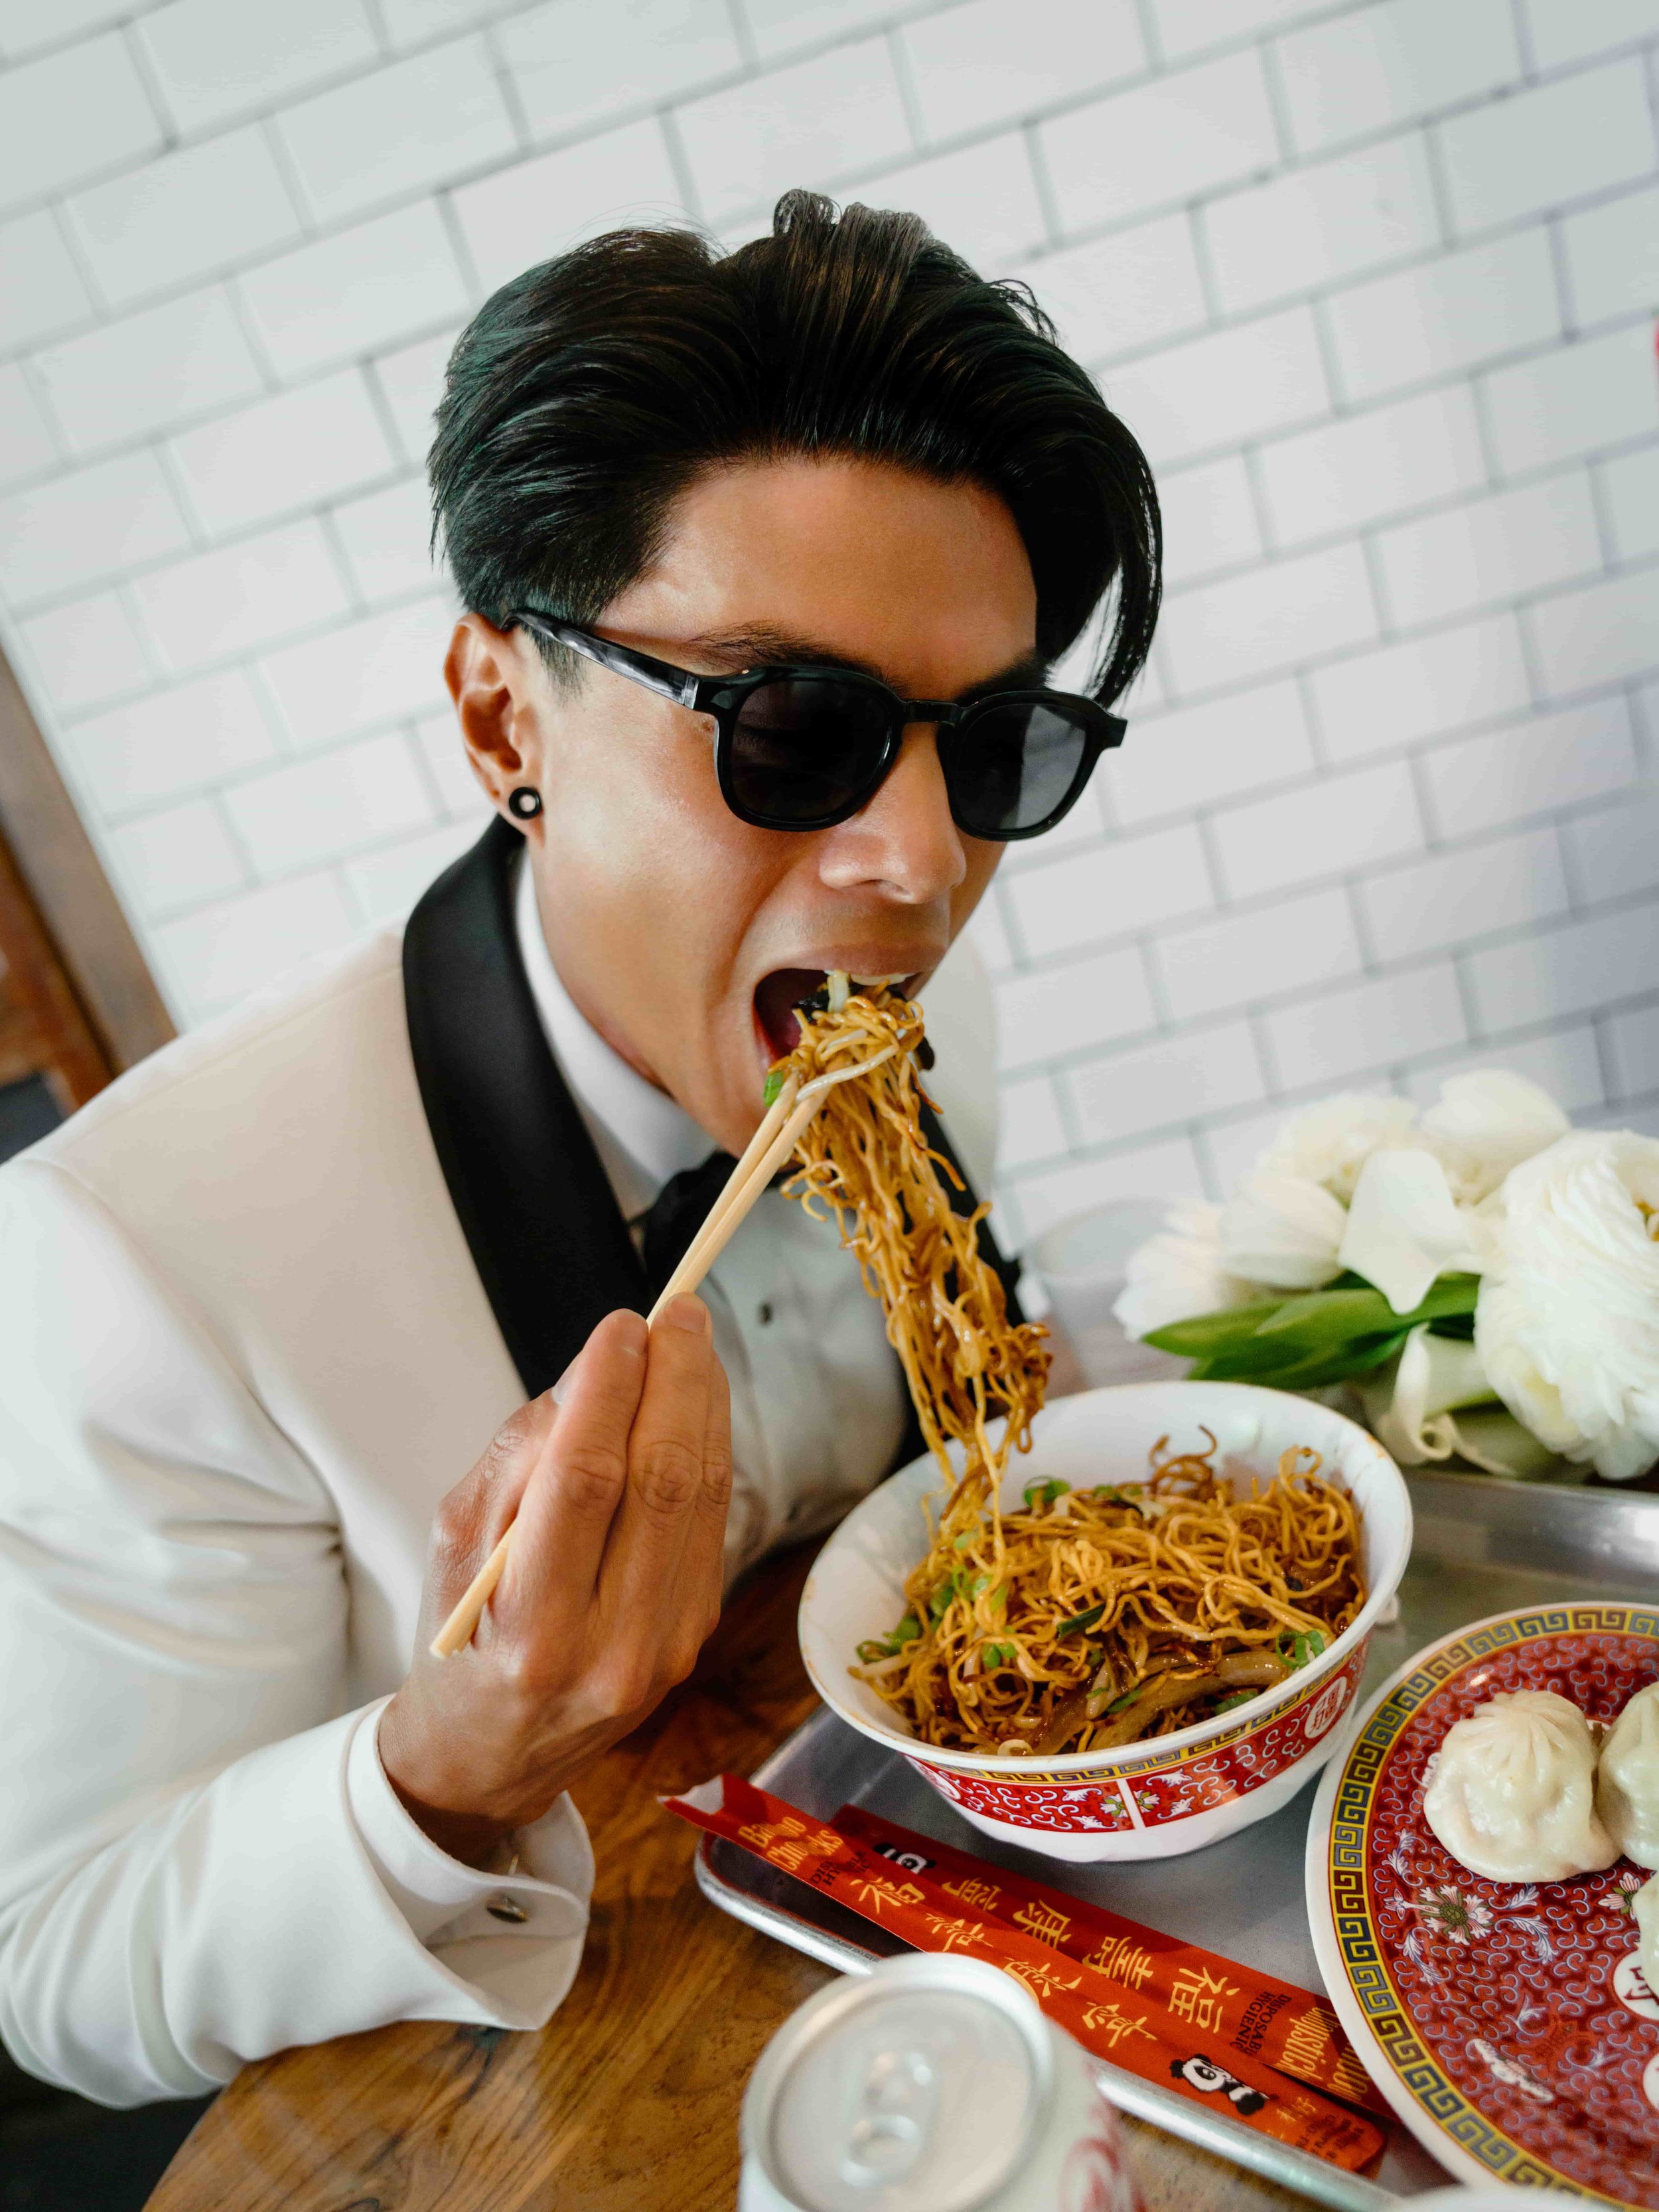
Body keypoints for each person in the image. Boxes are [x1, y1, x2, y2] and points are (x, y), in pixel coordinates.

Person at [0, 191, 1159, 2106]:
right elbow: (55, 1961)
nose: (924, 861)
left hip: (969, 1937)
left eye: (991, 745)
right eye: (796, 728)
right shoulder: (136, 1259)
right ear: (496, 712)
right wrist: (454, 1759)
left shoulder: (853, 982)